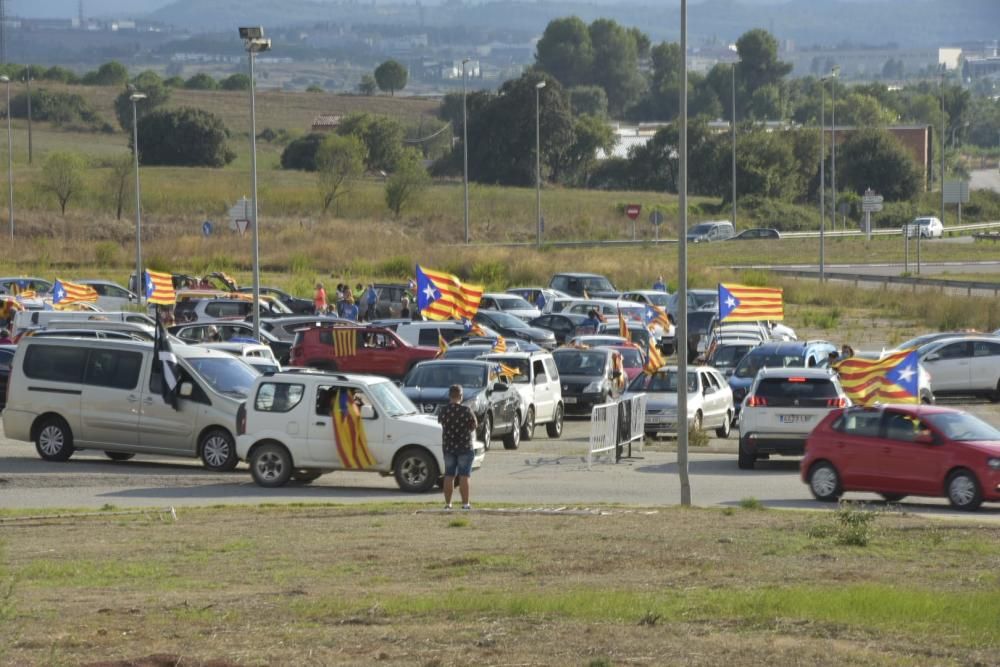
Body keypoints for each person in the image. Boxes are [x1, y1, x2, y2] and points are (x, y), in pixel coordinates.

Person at [438, 384, 478, 510]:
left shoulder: (443, 410)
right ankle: (465, 504)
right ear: (461, 396)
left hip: (449, 447)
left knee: (449, 475)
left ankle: (448, 504)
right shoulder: (466, 410)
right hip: (465, 447)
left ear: (449, 396)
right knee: (464, 475)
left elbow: (441, 422)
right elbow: (474, 425)